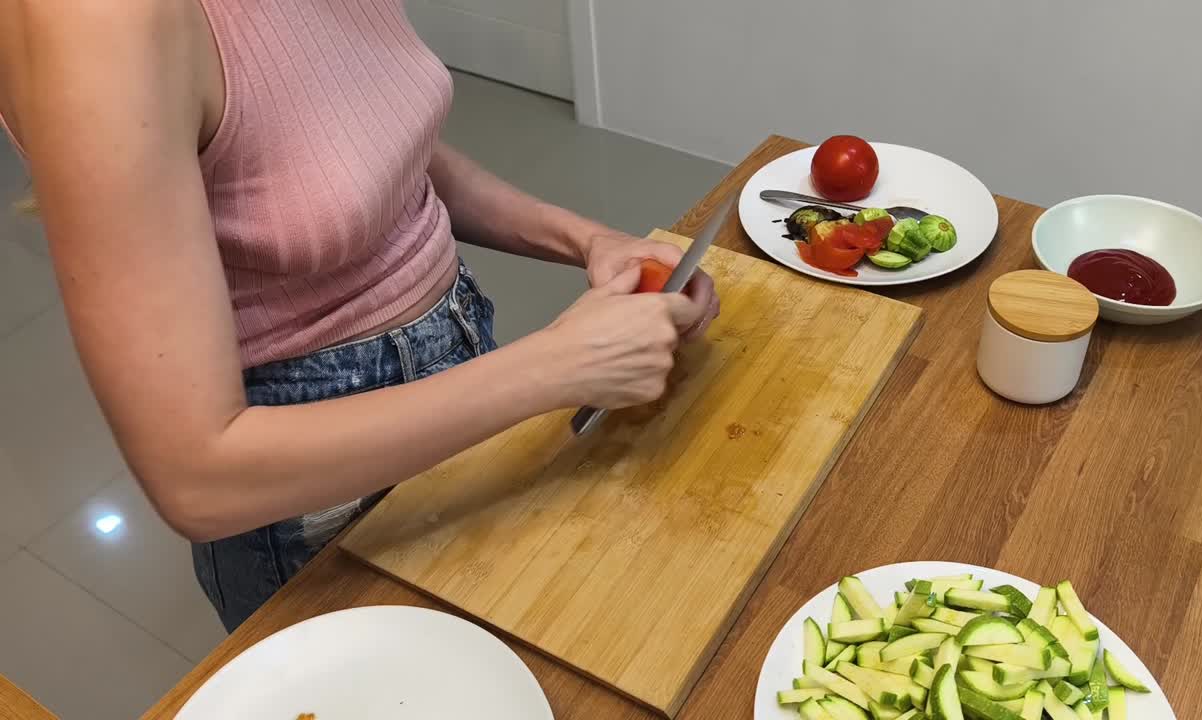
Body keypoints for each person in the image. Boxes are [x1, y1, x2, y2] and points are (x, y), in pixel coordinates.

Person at [0, 0, 719, 632]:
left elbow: (371, 145)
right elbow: (198, 477)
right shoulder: (97, 22)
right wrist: (561, 364)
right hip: (315, 481)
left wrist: (585, 239)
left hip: (460, 374)